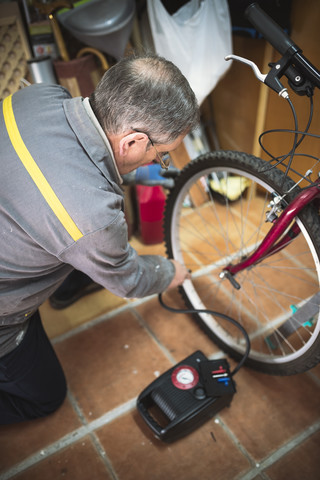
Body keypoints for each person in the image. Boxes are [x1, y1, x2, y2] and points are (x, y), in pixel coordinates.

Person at [0, 53, 199, 424]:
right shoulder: (92, 218)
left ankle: (63, 288)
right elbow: (129, 279)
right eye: (163, 154)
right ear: (134, 141)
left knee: (76, 244)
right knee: (45, 397)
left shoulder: (39, 95)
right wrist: (169, 271)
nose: (159, 162)